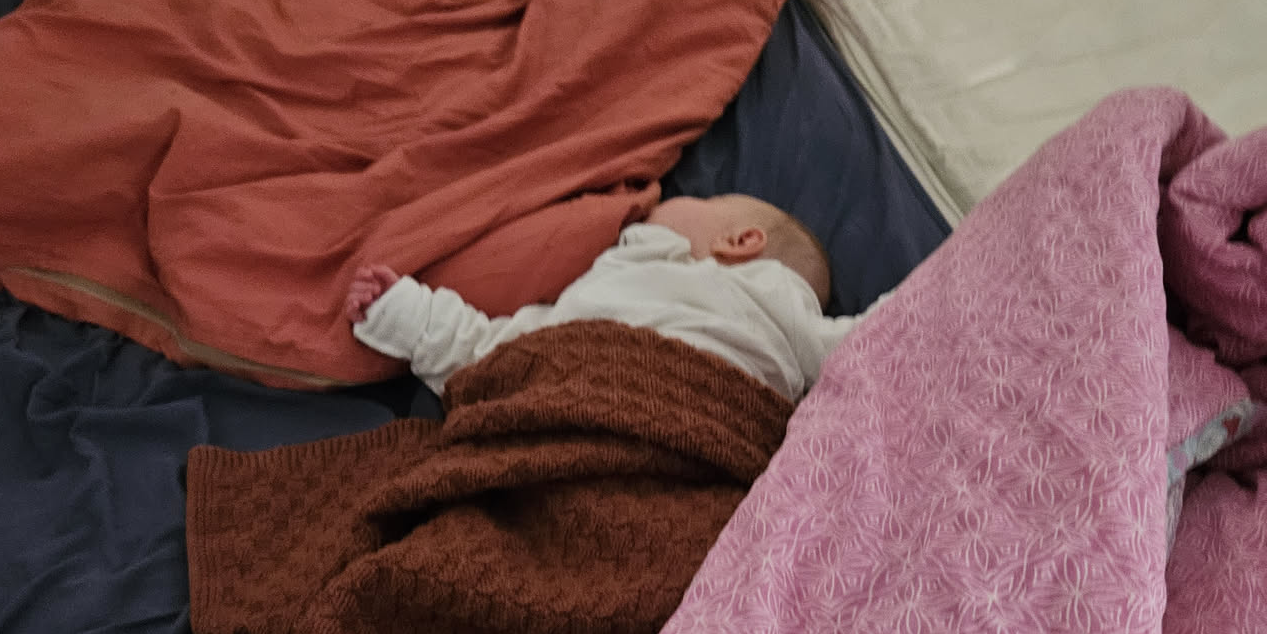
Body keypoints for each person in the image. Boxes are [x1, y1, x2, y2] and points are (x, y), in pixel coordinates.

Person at [345, 193, 874, 403]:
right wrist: (405, 312)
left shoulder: (778, 300)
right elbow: (494, 356)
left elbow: (877, 337)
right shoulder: (612, 282)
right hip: (571, 392)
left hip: (697, 426)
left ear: (739, 242)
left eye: (706, 198)